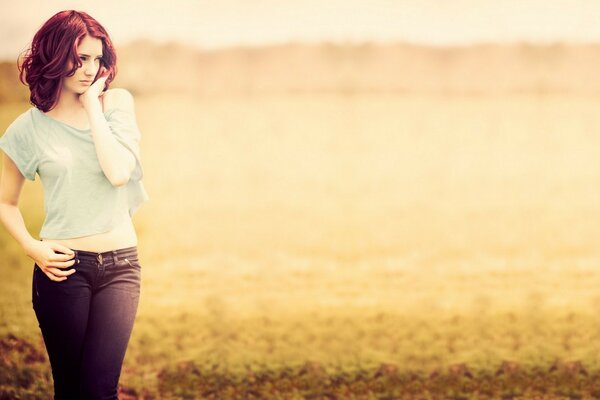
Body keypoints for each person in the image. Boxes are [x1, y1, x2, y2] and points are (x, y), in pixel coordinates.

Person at [0, 10, 149, 399]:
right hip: (63, 269)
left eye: (97, 59)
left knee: (100, 389)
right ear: (55, 55)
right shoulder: (27, 129)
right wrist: (32, 247)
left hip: (121, 267)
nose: (89, 69)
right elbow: (5, 202)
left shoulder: (116, 104)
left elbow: (117, 172)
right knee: (70, 390)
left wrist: (93, 107)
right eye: (80, 58)